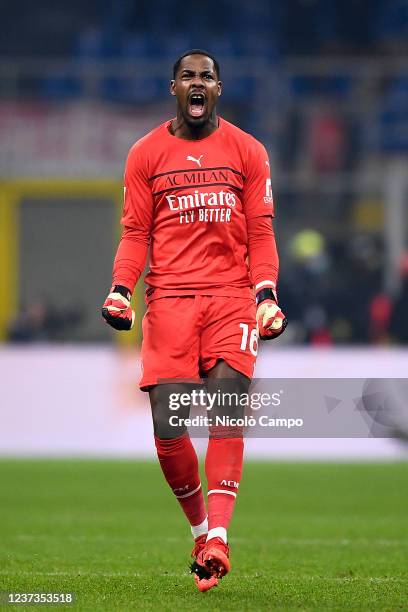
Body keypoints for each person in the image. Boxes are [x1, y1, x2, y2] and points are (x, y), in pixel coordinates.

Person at [102, 49, 287, 592]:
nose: (198, 83)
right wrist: (120, 289)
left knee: (229, 405)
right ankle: (200, 529)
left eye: (208, 76)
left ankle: (219, 541)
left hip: (231, 298)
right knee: (168, 421)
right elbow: (136, 232)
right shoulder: (145, 154)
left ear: (219, 89)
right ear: (174, 87)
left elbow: (261, 230)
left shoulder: (249, 150)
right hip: (170, 301)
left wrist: (266, 293)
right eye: (190, 76)